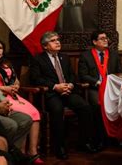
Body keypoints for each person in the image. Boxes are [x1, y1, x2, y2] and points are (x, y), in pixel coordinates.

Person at [29, 31, 98, 160]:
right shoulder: (38, 59)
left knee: (86, 107)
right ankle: (59, 146)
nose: (57, 42)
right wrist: (56, 87)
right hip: (50, 94)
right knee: (57, 110)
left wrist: (70, 85)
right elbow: (36, 78)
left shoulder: (64, 57)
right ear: (45, 46)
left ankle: (83, 143)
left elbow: (72, 75)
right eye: (53, 40)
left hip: (68, 91)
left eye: (58, 40)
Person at [0, 38, 43, 164]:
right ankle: (20, 152)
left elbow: (15, 80)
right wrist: (4, 88)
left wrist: (16, 85)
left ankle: (32, 151)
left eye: (1, 48)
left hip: (13, 94)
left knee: (35, 113)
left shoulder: (6, 64)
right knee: (26, 116)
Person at [78, 30, 122, 148]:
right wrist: (96, 82)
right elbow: (83, 75)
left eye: (106, 38)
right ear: (94, 41)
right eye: (102, 38)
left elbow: (120, 72)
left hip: (112, 88)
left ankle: (115, 137)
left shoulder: (113, 55)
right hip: (95, 88)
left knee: (120, 103)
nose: (105, 40)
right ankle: (100, 138)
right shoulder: (86, 56)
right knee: (98, 105)